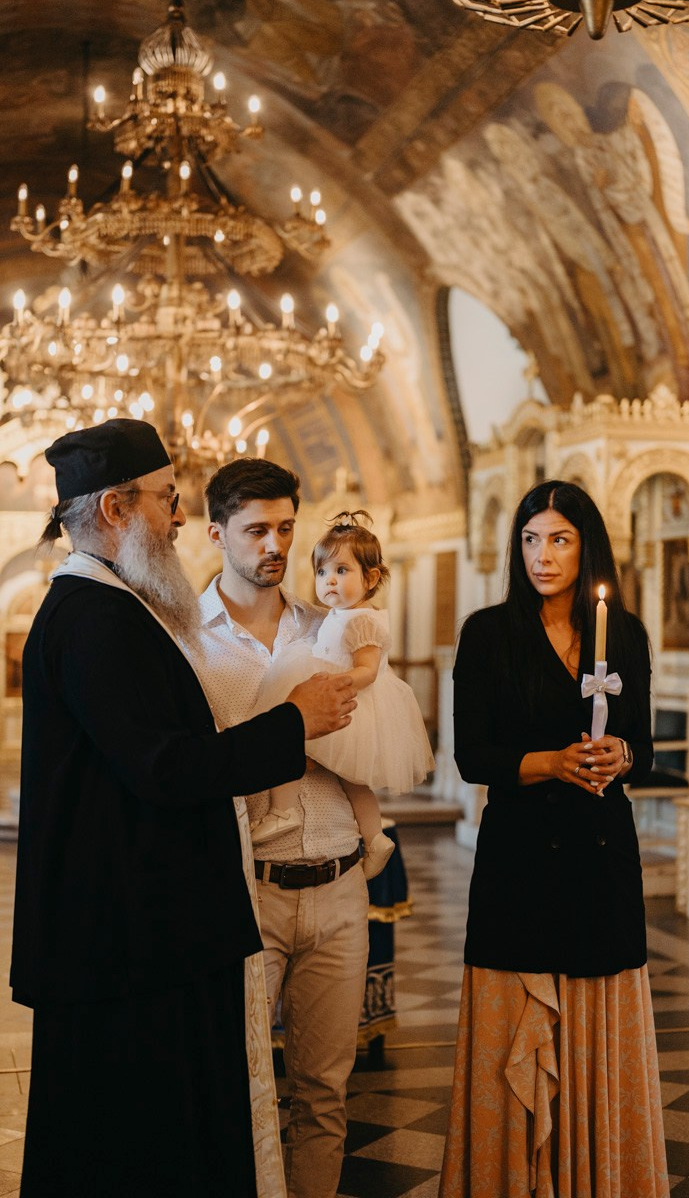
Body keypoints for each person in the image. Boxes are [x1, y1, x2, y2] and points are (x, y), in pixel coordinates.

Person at [11, 419, 356, 1198]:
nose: (176, 517)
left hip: (128, 934)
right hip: (123, 942)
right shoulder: (98, 620)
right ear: (115, 509)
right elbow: (166, 766)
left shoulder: (111, 610)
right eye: (165, 499)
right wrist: (294, 721)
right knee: (135, 1144)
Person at [439, 480, 669, 1198]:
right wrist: (552, 763)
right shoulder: (488, 633)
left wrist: (620, 755)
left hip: (600, 853)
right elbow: (472, 756)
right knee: (517, 1013)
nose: (542, 555)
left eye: (559, 540)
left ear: (586, 545)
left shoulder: (623, 634)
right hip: (519, 857)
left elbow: (644, 748)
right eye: (530, 539)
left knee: (596, 1012)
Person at [189, 459, 372, 1198]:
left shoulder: (329, 626)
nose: (275, 545)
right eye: (257, 530)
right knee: (236, 1085)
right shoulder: (185, 640)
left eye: (287, 528)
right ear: (215, 534)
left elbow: (369, 741)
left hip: (338, 884)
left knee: (325, 1092)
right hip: (247, 893)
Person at [250, 510, 434, 879]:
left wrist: (333, 682)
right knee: (352, 780)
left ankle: (283, 810)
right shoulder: (340, 614)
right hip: (342, 701)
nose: (329, 580)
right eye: (322, 572)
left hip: (348, 703)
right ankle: (375, 837)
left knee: (289, 741)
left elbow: (368, 670)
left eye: (341, 570)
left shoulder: (362, 620)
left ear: (371, 578)